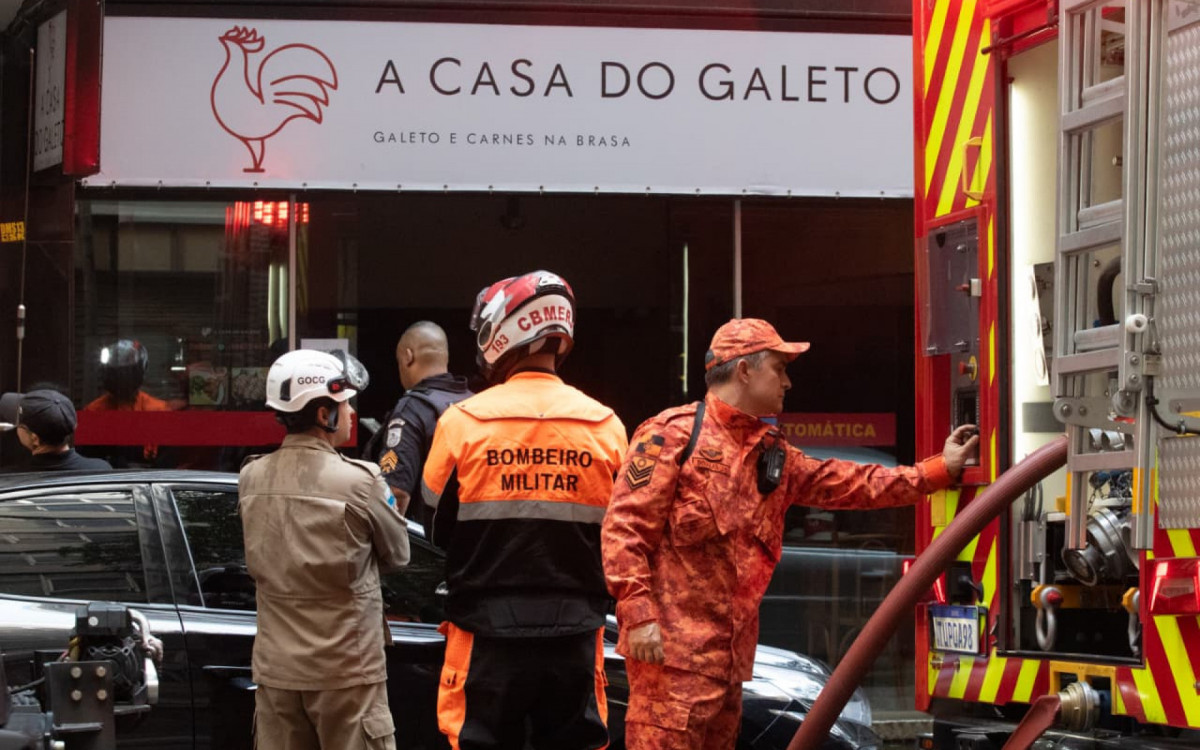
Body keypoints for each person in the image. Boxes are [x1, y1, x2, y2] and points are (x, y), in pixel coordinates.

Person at [601, 318, 978, 750]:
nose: (787, 382)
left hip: (730, 668)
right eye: (778, 369)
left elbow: (851, 483)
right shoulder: (670, 435)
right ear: (744, 370)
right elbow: (624, 529)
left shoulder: (772, 453)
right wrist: (639, 616)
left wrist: (938, 471)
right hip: (671, 662)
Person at [421, 271, 628, 750]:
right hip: (577, 637)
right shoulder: (606, 425)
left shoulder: (462, 422)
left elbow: (434, 528)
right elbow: (622, 536)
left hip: (484, 637)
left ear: (502, 330)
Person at [239, 349, 410, 750]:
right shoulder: (361, 482)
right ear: (323, 415)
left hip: (276, 673)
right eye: (345, 402)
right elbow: (399, 555)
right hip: (347, 672)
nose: (350, 412)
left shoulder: (251, 477)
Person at [373, 321, 472, 523]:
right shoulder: (476, 403)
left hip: (426, 543)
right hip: (471, 539)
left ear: (408, 356)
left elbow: (396, 493)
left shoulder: (412, 409)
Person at [2, 389, 112, 472]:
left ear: (35, 439)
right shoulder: (100, 470)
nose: (16, 426)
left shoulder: (12, 479)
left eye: (19, 423)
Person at [84, 339, 171, 412]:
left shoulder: (157, 409)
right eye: (116, 374)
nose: (121, 379)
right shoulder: (94, 410)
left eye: (126, 372)